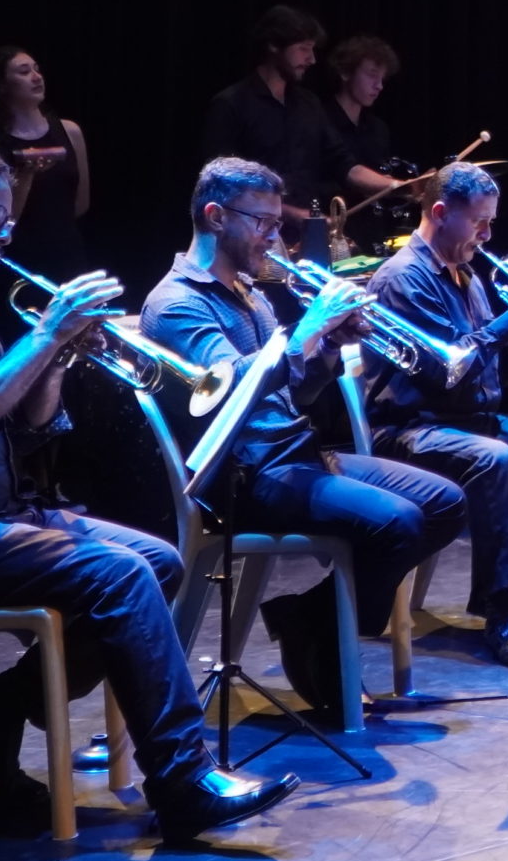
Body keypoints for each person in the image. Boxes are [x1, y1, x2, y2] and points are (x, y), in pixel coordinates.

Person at [0, 147, 299, 842]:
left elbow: (27, 430)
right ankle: (183, 781)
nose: (6, 230)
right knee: (119, 574)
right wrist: (46, 332)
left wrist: (58, 357)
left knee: (160, 561)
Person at [140, 158, 467, 710]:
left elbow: (296, 392)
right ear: (216, 217)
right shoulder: (177, 302)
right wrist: (309, 328)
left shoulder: (249, 291)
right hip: (243, 474)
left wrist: (330, 346)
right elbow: (229, 388)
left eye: (276, 223)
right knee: (398, 523)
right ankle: (325, 637)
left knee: (444, 502)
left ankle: (308, 619)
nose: (274, 237)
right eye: (263, 223)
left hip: (295, 452)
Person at [366, 162, 508, 669]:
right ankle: (504, 608)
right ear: (440, 213)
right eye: (479, 222)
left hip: (469, 422)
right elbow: (442, 372)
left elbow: (499, 374)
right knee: (494, 459)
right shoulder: (404, 278)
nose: (488, 234)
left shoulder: (467, 275)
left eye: (491, 222)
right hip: (411, 426)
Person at [202, 6, 384, 256]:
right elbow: (223, 188)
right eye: (303, 49)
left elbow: (343, 164)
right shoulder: (231, 105)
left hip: (304, 245)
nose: (312, 59)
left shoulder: (309, 104)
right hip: (250, 245)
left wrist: (395, 185)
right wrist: (291, 214)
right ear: (274, 46)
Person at [0, 46, 92, 297]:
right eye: (24, 72)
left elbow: (80, 204)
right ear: (2, 86)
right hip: (20, 263)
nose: (36, 77)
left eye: (37, 69)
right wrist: (26, 177)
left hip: (68, 258)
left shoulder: (70, 131)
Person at [324, 33, 402, 195]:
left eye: (382, 79)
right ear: (345, 72)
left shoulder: (378, 129)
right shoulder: (319, 120)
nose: (379, 86)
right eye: (372, 75)